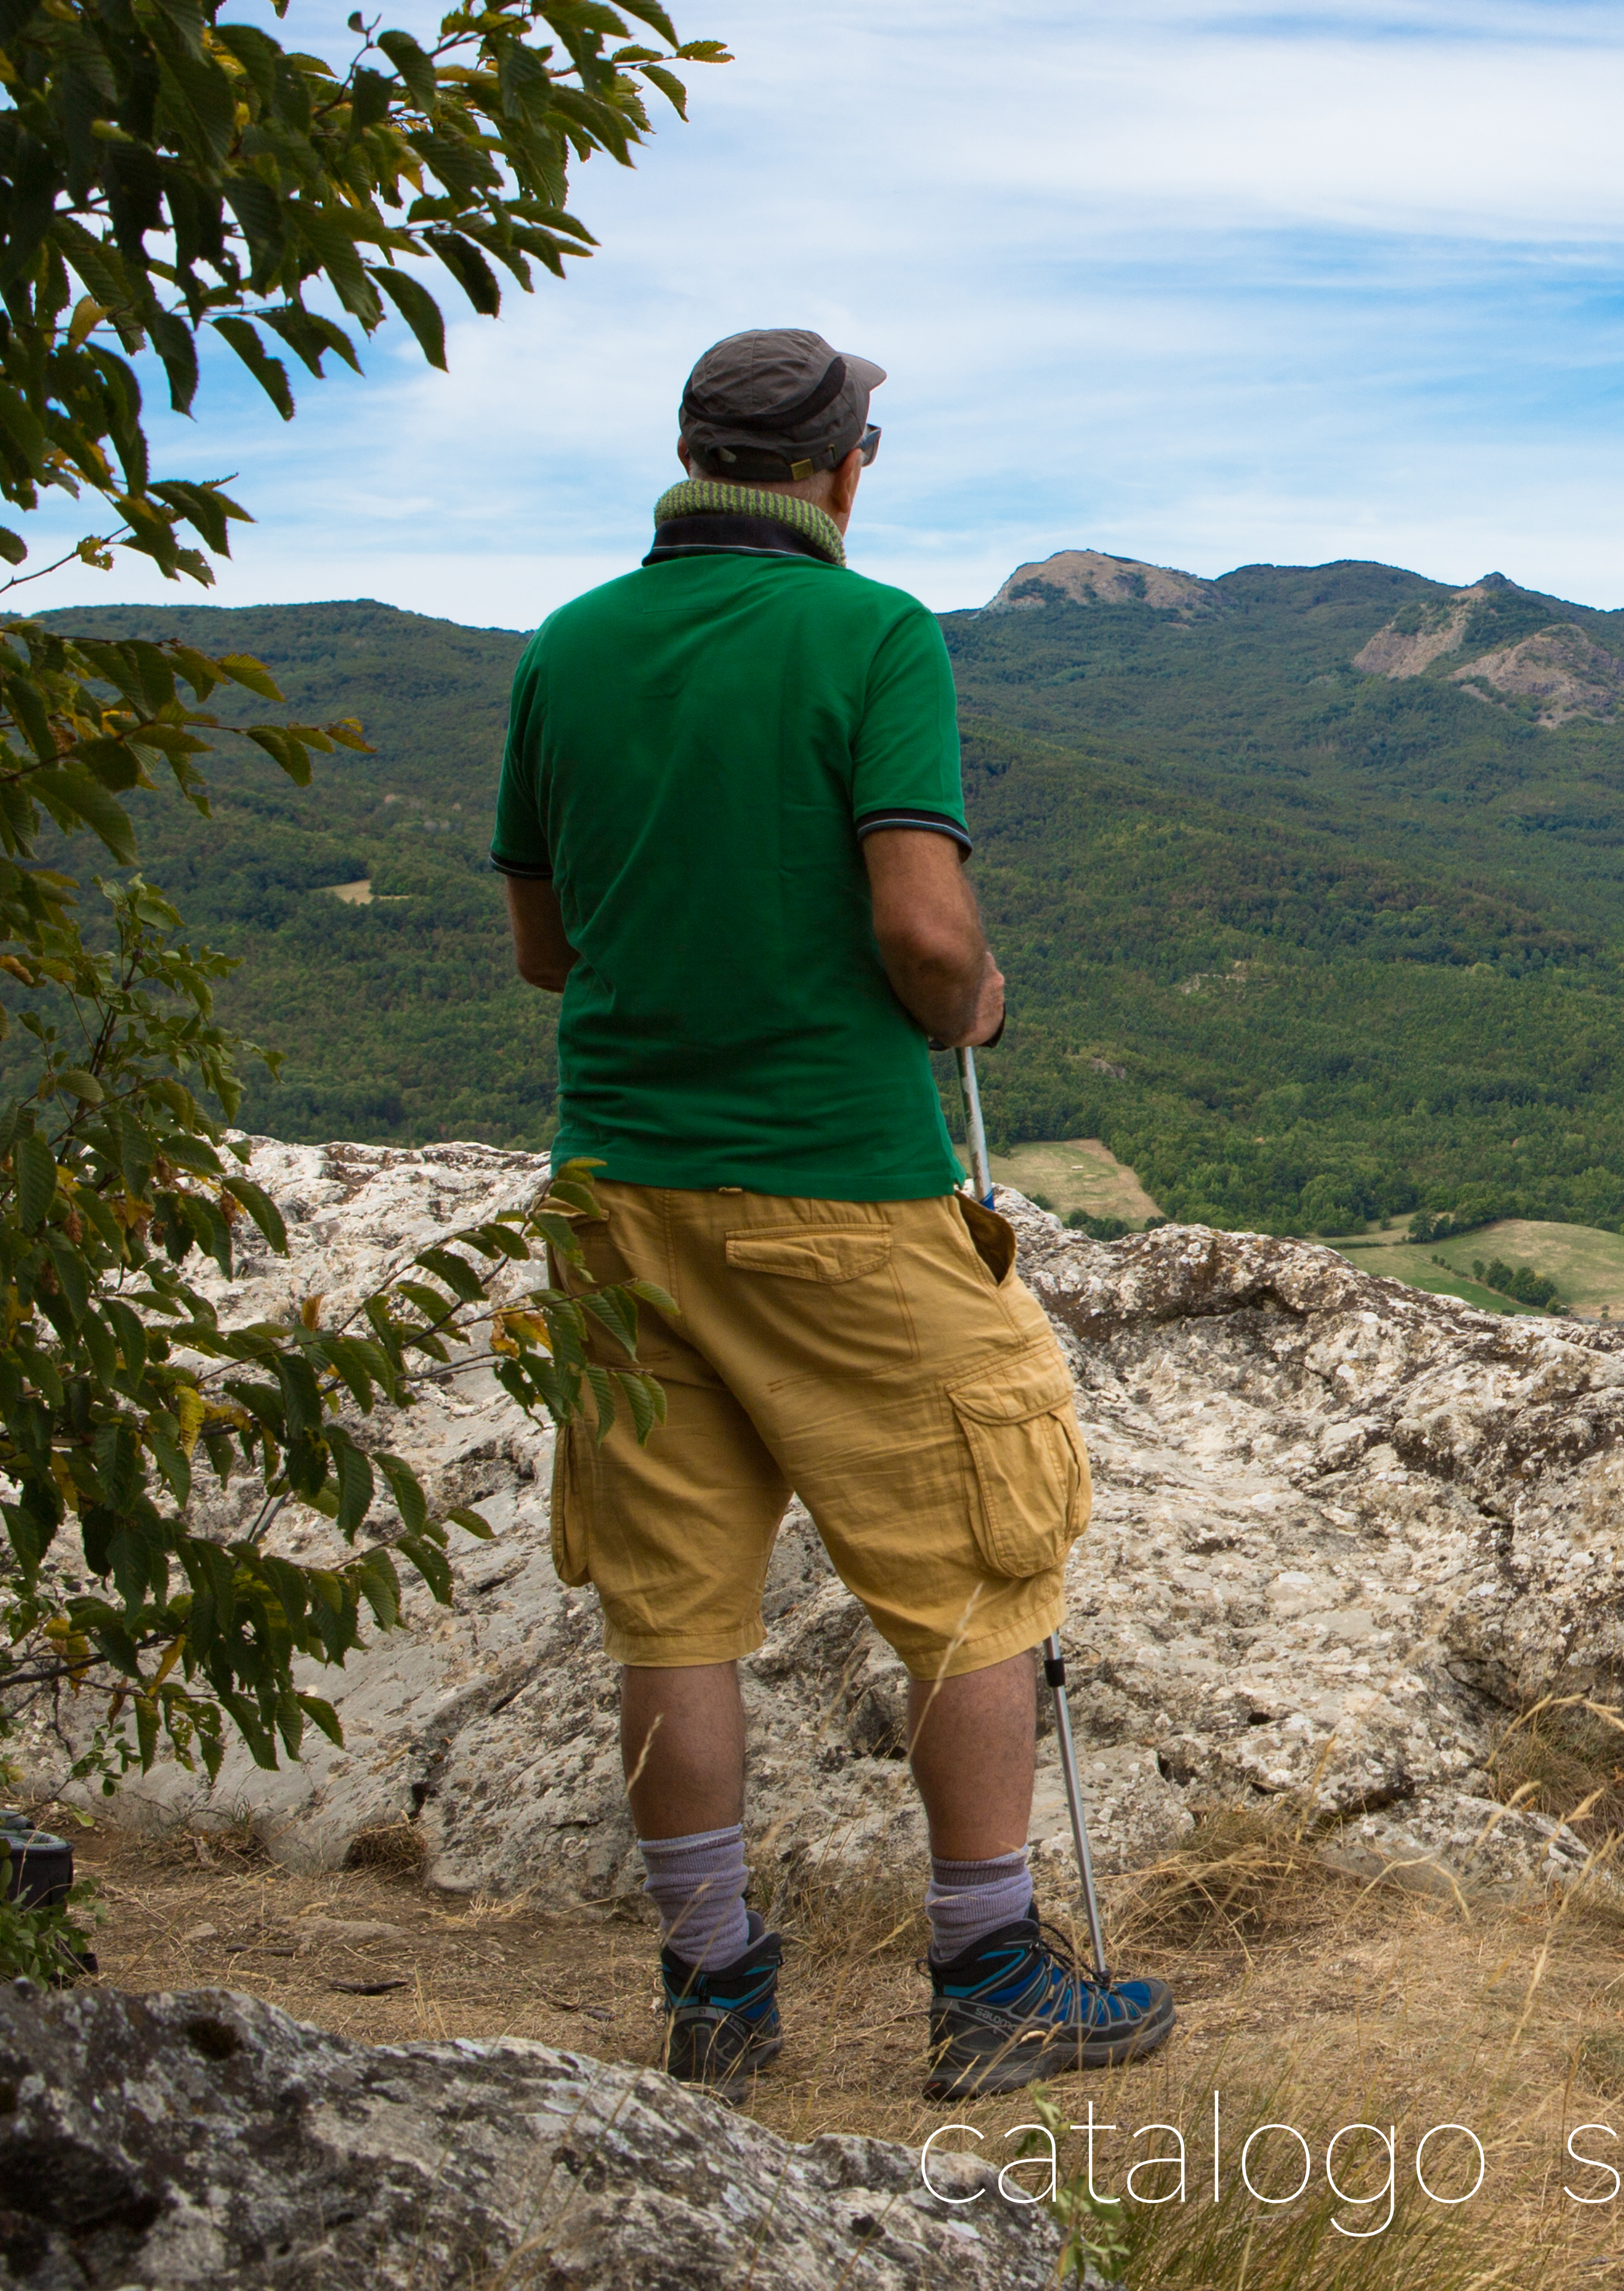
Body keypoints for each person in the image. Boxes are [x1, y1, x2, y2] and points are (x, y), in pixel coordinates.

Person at [491, 327, 1173, 2103]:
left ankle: (715, 1993)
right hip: (842, 1190)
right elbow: (927, 936)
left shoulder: (564, 651)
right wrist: (980, 1001)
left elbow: (546, 949)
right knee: (978, 1568)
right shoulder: (875, 636)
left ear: (694, 455)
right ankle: (990, 1970)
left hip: (618, 1191)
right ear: (843, 473)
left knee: (674, 1603)